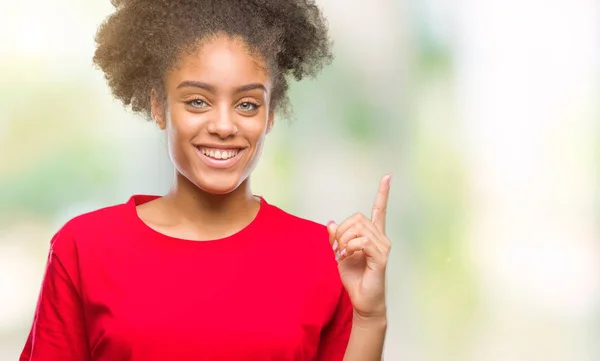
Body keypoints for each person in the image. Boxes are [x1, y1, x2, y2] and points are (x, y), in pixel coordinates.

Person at [19, 0, 392, 360]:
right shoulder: (85, 248)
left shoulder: (323, 255)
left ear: (270, 114)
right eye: (197, 101)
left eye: (247, 104)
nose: (224, 126)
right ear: (158, 106)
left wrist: (370, 316)